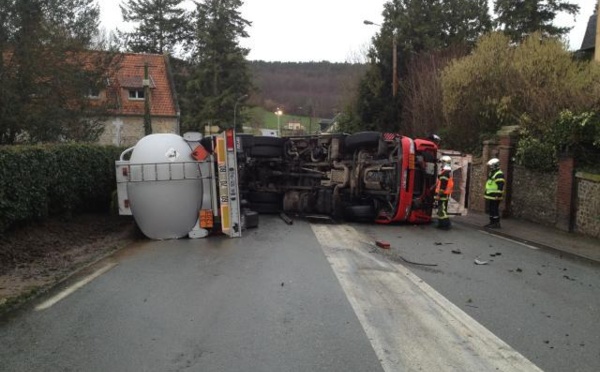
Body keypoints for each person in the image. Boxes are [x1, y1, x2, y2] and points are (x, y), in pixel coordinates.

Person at [484, 158, 505, 228]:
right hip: (491, 195)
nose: (490, 167)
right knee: (491, 209)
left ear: (495, 165)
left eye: (491, 165)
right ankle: (492, 222)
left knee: (494, 209)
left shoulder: (499, 174)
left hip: (495, 196)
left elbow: (500, 185)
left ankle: (496, 223)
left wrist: (497, 195)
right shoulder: (492, 172)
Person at [435, 155, 453, 229]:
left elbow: (443, 186)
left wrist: (439, 195)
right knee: (441, 210)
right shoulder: (446, 172)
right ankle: (441, 224)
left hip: (443, 195)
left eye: (442, 162)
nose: (441, 164)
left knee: (442, 211)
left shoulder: (445, 173)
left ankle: (446, 225)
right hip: (444, 194)